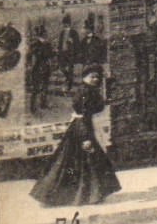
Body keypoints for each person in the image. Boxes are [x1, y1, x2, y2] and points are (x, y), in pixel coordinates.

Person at [29, 65, 121, 207]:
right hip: (81, 128)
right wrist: (85, 137)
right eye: (92, 76)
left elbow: (94, 108)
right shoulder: (84, 92)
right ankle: (85, 195)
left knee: (84, 161)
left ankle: (89, 194)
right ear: (84, 77)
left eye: (97, 77)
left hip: (83, 126)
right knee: (84, 161)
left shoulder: (90, 90)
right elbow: (82, 115)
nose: (95, 79)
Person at [25, 22, 54, 113]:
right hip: (37, 67)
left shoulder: (47, 44)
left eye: (45, 34)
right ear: (40, 35)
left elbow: (50, 55)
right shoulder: (35, 44)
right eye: (44, 34)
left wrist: (53, 54)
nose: (45, 36)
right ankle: (32, 107)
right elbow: (29, 55)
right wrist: (29, 65)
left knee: (45, 86)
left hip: (45, 67)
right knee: (36, 88)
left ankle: (43, 103)